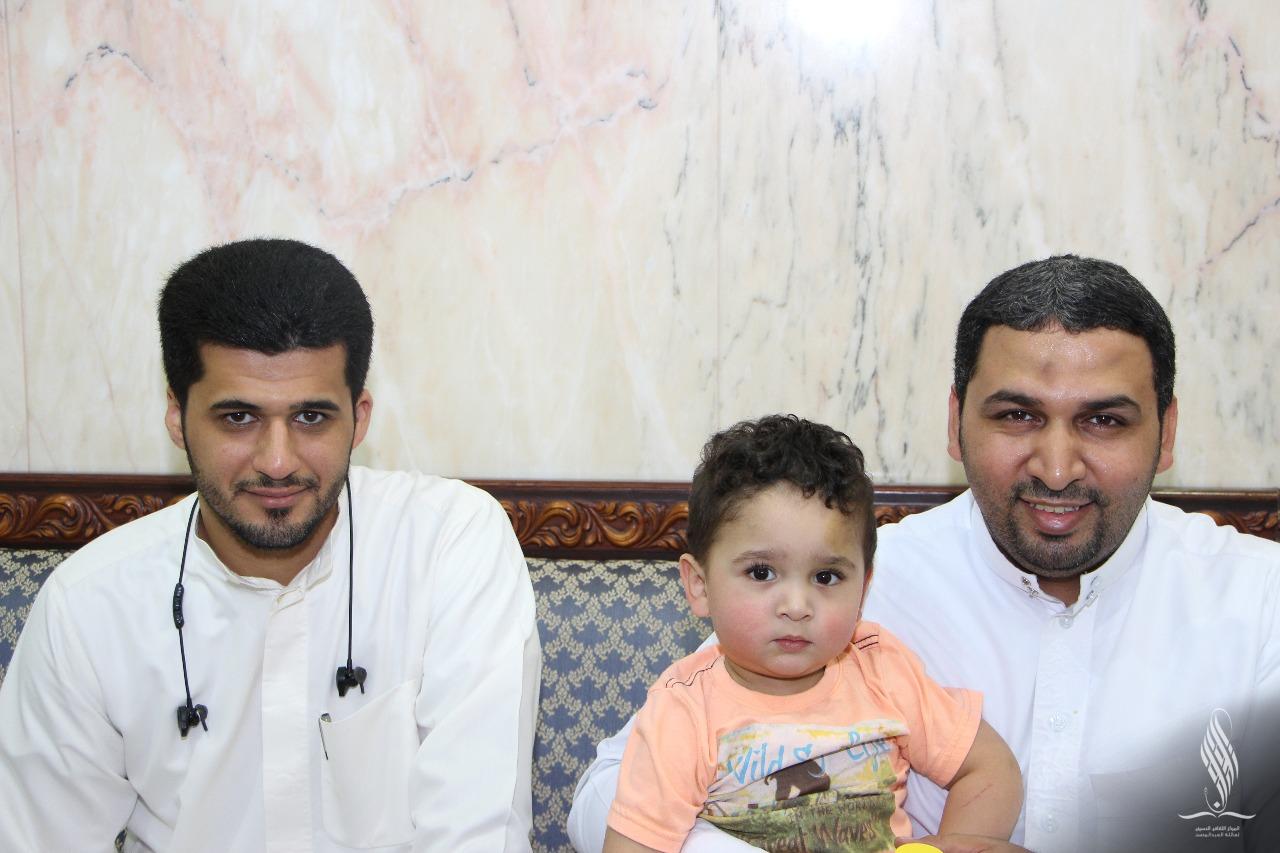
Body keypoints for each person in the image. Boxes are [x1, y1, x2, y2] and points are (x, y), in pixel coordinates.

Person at [569, 255, 1280, 853]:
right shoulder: (848, 582)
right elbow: (605, 795)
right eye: (1018, 415)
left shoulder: (1260, 602)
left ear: (1167, 432)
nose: (1058, 467)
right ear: (955, 421)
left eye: (1103, 420)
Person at [0, 239, 542, 851]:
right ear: (177, 416)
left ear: (360, 418)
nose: (278, 462)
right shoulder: (89, 606)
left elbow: (474, 835)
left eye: (311, 417)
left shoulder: (449, 547)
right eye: (239, 417)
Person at [603, 415, 1022, 853]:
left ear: (864, 589)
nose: (797, 606)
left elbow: (991, 768)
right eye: (761, 572)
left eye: (826, 577)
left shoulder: (882, 671)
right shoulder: (684, 711)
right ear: (700, 586)